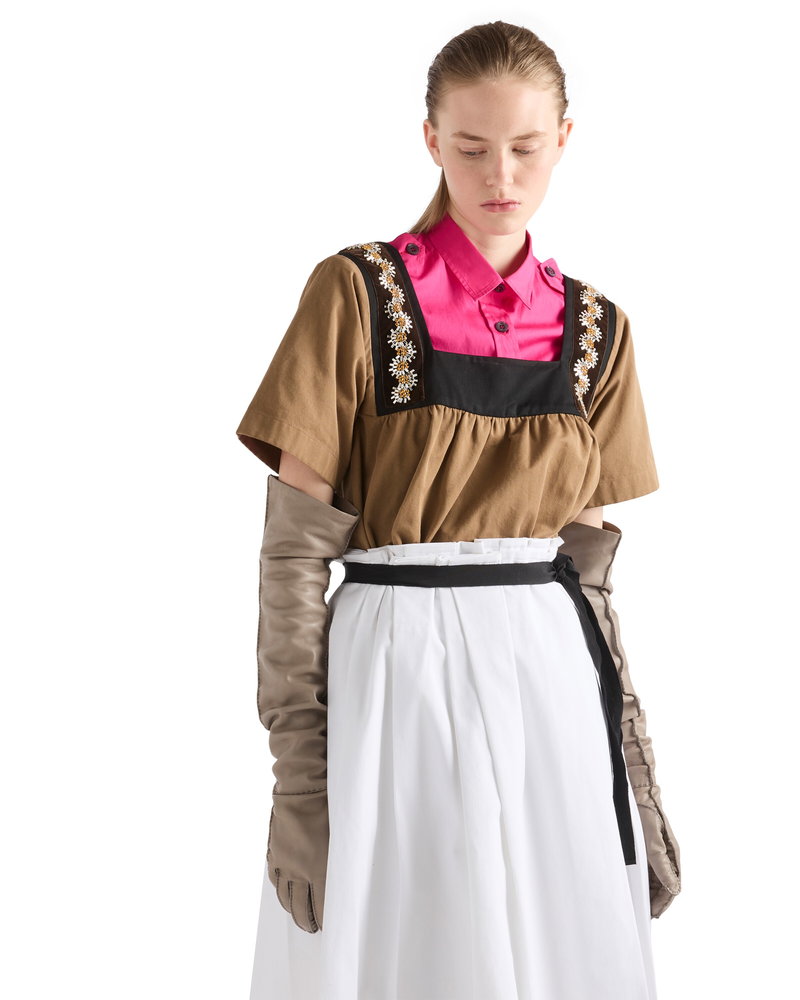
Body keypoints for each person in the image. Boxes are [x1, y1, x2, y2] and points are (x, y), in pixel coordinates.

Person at [236, 19, 681, 1000]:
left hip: (550, 679)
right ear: (431, 138)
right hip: (393, 670)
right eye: (472, 147)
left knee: (553, 952)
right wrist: (300, 780)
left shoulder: (597, 331)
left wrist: (635, 771)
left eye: (525, 147)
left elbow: (589, 580)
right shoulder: (355, 294)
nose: (500, 176)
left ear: (564, 139)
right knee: (408, 944)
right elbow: (292, 560)